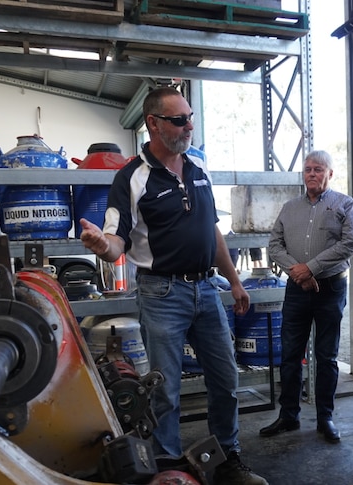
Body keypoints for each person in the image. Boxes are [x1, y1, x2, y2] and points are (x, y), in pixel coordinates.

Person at [79, 86, 267, 485]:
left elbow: (211, 230)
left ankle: (227, 460)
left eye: (190, 117)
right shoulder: (132, 177)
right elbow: (117, 241)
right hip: (162, 294)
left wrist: (234, 282)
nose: (188, 126)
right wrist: (103, 245)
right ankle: (166, 468)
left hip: (207, 289)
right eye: (179, 120)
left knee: (225, 380)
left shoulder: (198, 168)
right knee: (165, 390)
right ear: (153, 123)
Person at [259, 150, 353, 443]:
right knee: (290, 354)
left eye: (318, 169)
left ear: (330, 173)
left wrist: (311, 268)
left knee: (326, 356)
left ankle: (325, 417)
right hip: (296, 289)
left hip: (329, 289)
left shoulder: (345, 204)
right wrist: (297, 272)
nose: (312, 174)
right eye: (307, 169)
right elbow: (274, 245)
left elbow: (349, 244)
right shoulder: (290, 208)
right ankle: (288, 415)